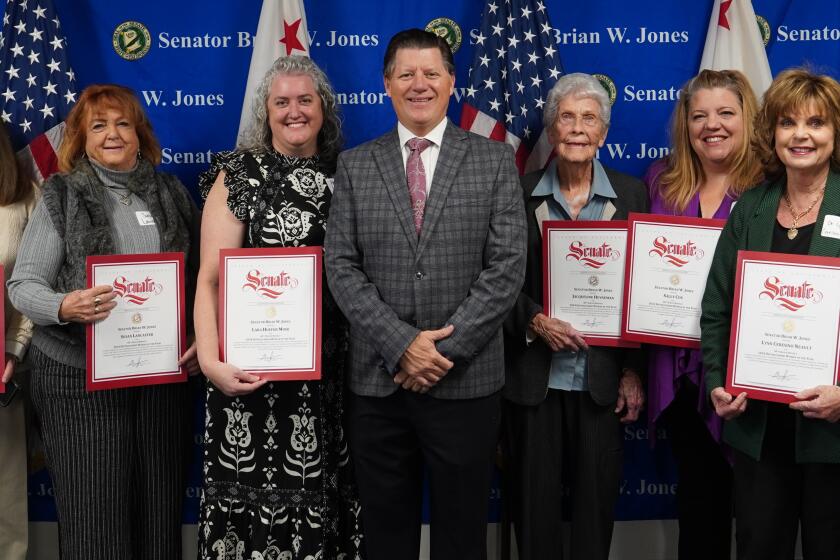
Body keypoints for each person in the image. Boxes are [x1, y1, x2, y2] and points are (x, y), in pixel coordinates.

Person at [324, 28, 527, 560]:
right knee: (386, 538)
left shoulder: (494, 161)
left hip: (465, 383)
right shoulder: (355, 165)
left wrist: (438, 353)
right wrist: (401, 344)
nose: (420, 84)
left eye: (431, 72)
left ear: (452, 81)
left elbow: (506, 268)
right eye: (406, 74)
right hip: (379, 384)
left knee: (462, 538)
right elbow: (341, 266)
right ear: (386, 84)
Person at [7, 84, 200, 560]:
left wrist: (198, 334)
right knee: (95, 518)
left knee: (159, 514)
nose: (111, 134)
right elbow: (23, 286)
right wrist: (64, 306)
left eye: (122, 123)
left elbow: (196, 281)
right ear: (81, 138)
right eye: (98, 126)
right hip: (78, 377)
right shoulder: (63, 195)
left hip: (159, 377)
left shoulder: (172, 192)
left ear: (140, 133)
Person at [193, 56, 363, 559]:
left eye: (305, 100)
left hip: (332, 376)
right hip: (249, 379)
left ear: (323, 109)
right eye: (281, 101)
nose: (294, 111)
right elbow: (208, 281)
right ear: (265, 111)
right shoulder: (239, 174)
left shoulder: (348, 172)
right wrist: (209, 361)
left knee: (327, 495)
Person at [501, 72, 647, 560]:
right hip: (533, 383)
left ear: (603, 133)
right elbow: (498, 281)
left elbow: (642, 293)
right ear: (552, 128)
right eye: (567, 117)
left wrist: (631, 370)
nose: (579, 128)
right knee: (534, 515)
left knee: (594, 515)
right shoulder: (517, 193)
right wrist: (534, 320)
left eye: (590, 118)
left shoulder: (632, 196)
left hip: (600, 383)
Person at [701, 68, 840, 560]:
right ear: (772, 134)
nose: (801, 135)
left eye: (817, 123)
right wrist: (719, 378)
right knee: (759, 546)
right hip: (758, 428)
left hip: (833, 432)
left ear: (834, 134)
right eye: (788, 123)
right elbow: (717, 305)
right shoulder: (751, 207)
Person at [644, 69, 763, 559]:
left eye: (725, 113)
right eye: (699, 116)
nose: (711, 125)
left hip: (750, 373)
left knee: (759, 515)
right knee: (699, 509)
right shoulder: (661, 181)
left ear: (747, 118)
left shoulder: (771, 185)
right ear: (685, 124)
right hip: (682, 372)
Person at [0, 124, 36, 560]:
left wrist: (14, 346)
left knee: (6, 490)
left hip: (5, 367)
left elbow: (32, 283)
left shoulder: (24, 198)